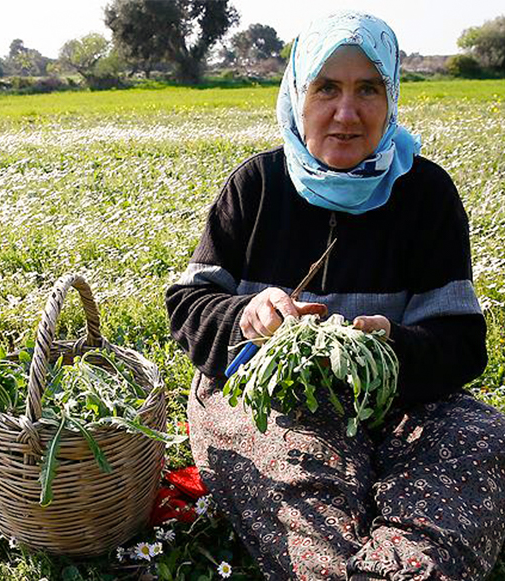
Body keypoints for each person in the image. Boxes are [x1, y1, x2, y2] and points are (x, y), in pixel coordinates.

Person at [165, 10, 505, 581]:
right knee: (294, 469)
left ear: (391, 96)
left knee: (479, 441)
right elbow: (189, 306)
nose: (346, 114)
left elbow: (462, 342)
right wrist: (248, 317)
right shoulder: (257, 186)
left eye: (367, 89)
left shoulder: (425, 194)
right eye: (326, 88)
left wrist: (389, 348)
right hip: (267, 403)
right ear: (297, 93)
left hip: (400, 405)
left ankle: (405, 567)